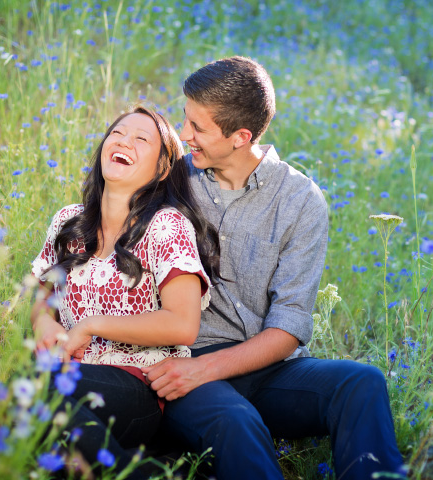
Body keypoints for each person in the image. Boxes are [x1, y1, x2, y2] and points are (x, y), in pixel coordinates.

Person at [141, 57, 405, 479]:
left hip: (263, 367)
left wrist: (207, 368)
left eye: (198, 127)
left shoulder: (301, 200)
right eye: (185, 120)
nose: (183, 134)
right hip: (182, 362)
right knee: (235, 420)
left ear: (241, 137)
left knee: (362, 382)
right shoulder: (170, 179)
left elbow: (288, 328)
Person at [29, 106, 219, 476]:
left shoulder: (166, 225)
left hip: (136, 386)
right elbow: (40, 294)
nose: (123, 141)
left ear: (163, 168)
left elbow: (183, 324)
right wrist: (42, 323)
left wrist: (90, 326)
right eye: (117, 133)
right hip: (68, 376)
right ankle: (151, 472)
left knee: (40, 389)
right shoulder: (69, 222)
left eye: (141, 138)